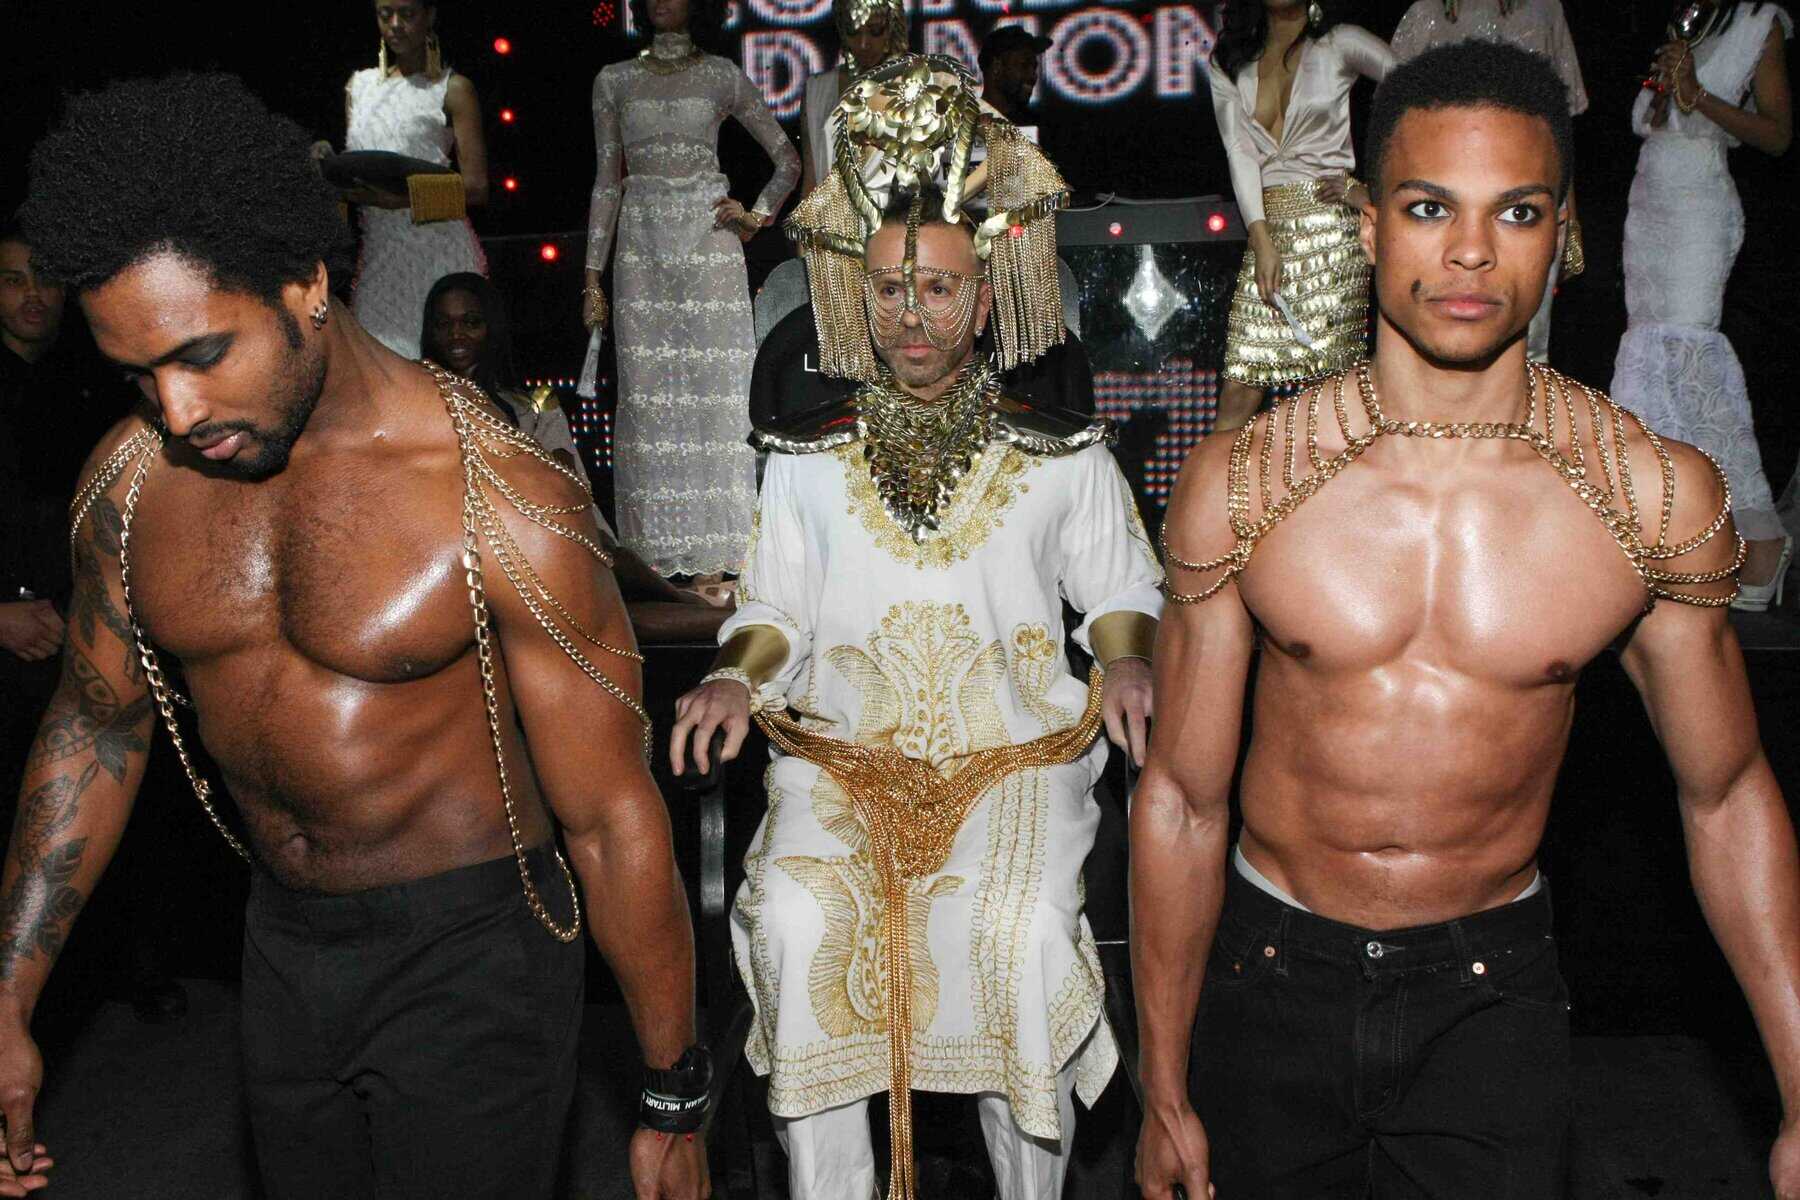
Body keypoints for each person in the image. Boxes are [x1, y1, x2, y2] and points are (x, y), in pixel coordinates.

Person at [2, 73, 707, 1200]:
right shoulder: (131, 488)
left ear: (308, 285)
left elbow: (613, 815)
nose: (176, 412)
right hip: (280, 944)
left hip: (478, 947)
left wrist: (673, 1096)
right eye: (139, 376)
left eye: (201, 355)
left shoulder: (497, 493)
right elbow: (97, 727)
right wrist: (8, 1003)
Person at [1135, 41, 1800, 1200]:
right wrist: (1162, 1086)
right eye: (1430, 206)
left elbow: (1728, 791)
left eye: (1518, 211)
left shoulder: (1648, 496)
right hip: (1268, 977)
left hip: (1493, 997)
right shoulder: (1245, 482)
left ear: (1564, 233)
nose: (1472, 251)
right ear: (1369, 226)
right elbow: (1183, 800)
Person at [670, 55, 1161, 1200]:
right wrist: (736, 678)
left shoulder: (1061, 454)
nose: (911, 315)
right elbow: (772, 608)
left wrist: (1131, 666)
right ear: (859, 298)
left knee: (1020, 935)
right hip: (845, 763)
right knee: (799, 923)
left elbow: (1121, 593)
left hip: (1012, 762)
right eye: (889, 290)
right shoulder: (806, 461)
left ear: (985, 301)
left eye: (938, 289)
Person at [579, 0, 800, 582]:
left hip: (708, 246)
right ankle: (659, 559)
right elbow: (606, 183)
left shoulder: (722, 74)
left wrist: (755, 216)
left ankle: (725, 557)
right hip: (641, 249)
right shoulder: (614, 80)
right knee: (650, 398)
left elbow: (787, 159)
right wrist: (591, 276)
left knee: (718, 394)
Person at [420, 272, 729, 642]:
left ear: (491, 327)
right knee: (615, 614)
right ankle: (703, 609)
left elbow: (568, 480)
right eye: (444, 324)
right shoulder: (418, 400)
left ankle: (691, 604)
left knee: (607, 575)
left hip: (547, 531)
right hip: (467, 542)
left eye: (471, 322)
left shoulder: (531, 404)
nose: (456, 335)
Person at [1611, 2, 1794, 611]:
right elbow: (1654, 119)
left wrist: (1698, 96)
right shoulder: (1690, 17)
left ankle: (1763, 537)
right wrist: (1667, 89)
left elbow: (1777, 134)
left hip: (1699, 204)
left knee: (1692, 363)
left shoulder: (1758, 21)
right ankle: (1666, 529)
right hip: (1650, 197)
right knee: (1649, 366)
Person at [1208, 0, 1395, 432]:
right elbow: (1239, 150)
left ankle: (1340, 476)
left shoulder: (1339, 43)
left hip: (1332, 229)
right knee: (1239, 388)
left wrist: (1375, 191)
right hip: (1267, 228)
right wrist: (1260, 237)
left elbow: (1417, 87)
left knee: (1334, 389)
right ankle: (1217, 478)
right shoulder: (1230, 59)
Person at [1390, 0, 1588, 363]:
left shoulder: (1544, 10)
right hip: (1436, 201)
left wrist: (1568, 210)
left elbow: (1562, 125)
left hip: (1525, 202)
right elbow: (1393, 131)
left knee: (1528, 337)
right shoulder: (1426, 13)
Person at [320, 0, 489, 359]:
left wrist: (400, 199)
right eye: (385, 15)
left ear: (430, 15)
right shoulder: (359, 87)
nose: (395, 24)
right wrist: (327, 167)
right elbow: (359, 174)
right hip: (379, 256)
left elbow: (476, 188)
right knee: (379, 370)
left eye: (407, 14)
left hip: (439, 251)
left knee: (445, 373)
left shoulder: (453, 88)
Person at [800, 0, 910, 195]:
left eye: (875, 30)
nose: (863, 43)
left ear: (893, 25)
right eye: (853, 31)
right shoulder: (817, 90)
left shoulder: (915, 85)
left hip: (899, 210)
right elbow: (811, 181)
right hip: (832, 210)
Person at [978, 25, 1053, 128]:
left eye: (1034, 67)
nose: (1033, 75)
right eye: (1024, 65)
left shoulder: (1043, 127)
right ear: (997, 67)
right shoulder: (961, 128)